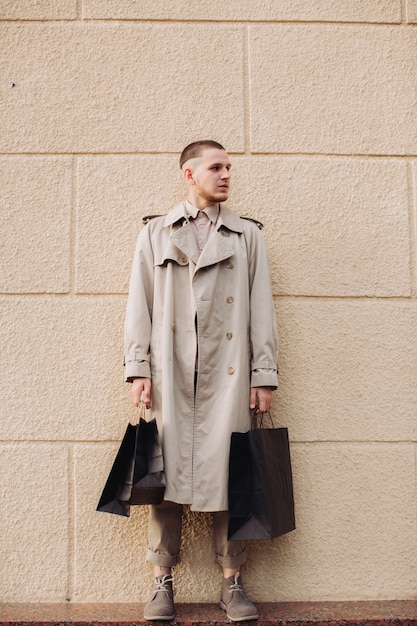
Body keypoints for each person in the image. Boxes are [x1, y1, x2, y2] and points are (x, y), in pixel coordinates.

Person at [124, 140, 278, 621]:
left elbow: (261, 310)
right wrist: (138, 369)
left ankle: (232, 583)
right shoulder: (155, 233)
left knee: (231, 476)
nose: (227, 174)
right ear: (189, 174)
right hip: (170, 373)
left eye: (230, 167)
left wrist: (264, 375)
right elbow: (140, 306)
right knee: (162, 478)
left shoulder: (247, 236)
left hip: (227, 375)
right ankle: (161, 581)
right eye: (217, 167)